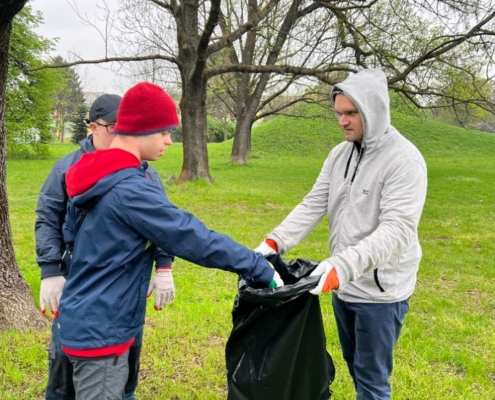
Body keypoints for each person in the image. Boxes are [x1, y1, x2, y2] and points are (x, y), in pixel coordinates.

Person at [57, 81, 283, 399]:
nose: (168, 141)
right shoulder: (130, 189)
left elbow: (72, 237)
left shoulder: (93, 173)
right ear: (140, 129)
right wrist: (256, 266)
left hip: (83, 315)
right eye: (164, 132)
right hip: (101, 334)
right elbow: (189, 235)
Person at [254, 69, 427, 400]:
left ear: (373, 111)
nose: (342, 121)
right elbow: (313, 203)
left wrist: (342, 266)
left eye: (350, 113)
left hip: (380, 293)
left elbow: (399, 230)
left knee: (372, 378)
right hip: (342, 284)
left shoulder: (405, 161)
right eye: (339, 113)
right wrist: (275, 241)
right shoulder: (339, 154)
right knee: (353, 364)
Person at [35, 93, 175, 400]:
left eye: (124, 125)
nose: (119, 133)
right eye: (112, 126)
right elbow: (47, 219)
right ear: (93, 127)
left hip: (127, 294)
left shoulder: (146, 173)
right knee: (63, 377)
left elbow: (165, 223)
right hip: (77, 288)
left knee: (124, 372)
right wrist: (50, 272)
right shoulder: (67, 169)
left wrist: (164, 268)